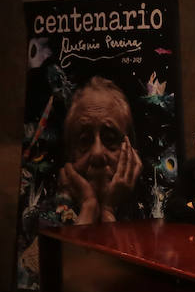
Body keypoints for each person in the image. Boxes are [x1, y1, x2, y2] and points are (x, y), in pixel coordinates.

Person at [59, 76, 143, 224]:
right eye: (84, 140)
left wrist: (108, 211)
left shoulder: (151, 214)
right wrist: (88, 207)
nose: (97, 153)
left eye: (110, 139)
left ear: (132, 153)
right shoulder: (43, 217)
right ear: (70, 152)